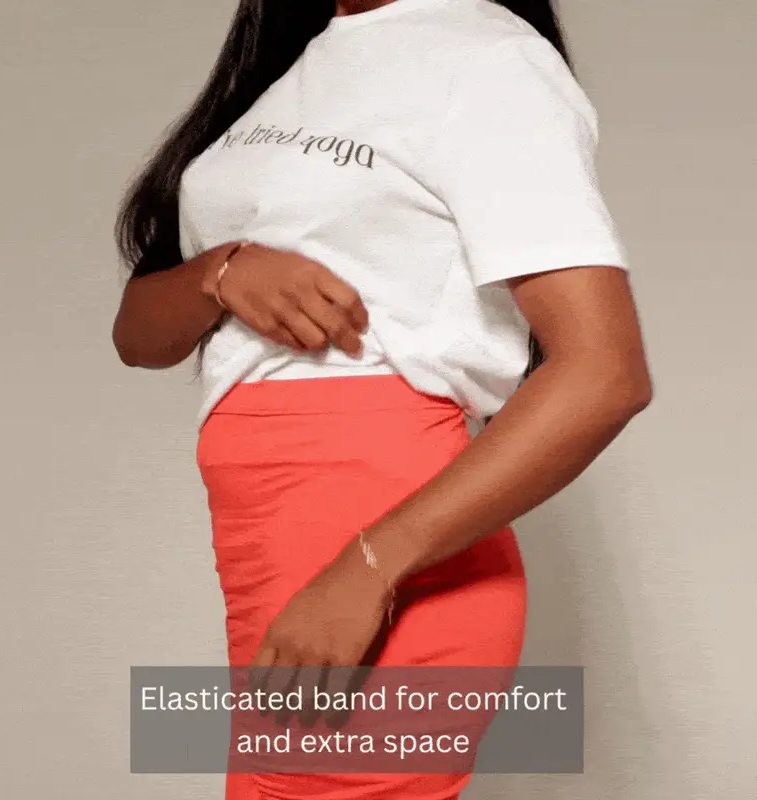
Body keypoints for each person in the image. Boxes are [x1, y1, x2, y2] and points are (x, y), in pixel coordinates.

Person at [112, 0, 652, 797]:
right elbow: (140, 338)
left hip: (379, 539)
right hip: (270, 540)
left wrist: (367, 570)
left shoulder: (487, 57)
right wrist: (222, 271)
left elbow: (607, 373)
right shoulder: (294, 65)